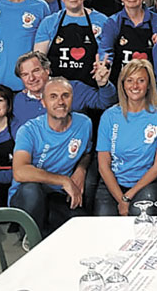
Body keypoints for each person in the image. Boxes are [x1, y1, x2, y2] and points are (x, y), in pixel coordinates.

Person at [9, 78, 93, 237]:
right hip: (26, 194)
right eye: (53, 96)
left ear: (72, 99)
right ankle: (30, 236)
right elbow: (20, 172)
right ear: (43, 102)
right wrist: (63, 180)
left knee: (81, 228)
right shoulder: (28, 130)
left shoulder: (84, 123)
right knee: (31, 190)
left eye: (65, 96)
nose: (60, 102)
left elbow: (86, 152)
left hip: (59, 194)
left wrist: (81, 169)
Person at [95, 60, 157, 215]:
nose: (135, 86)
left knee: (138, 213)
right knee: (103, 225)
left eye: (141, 80)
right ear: (123, 84)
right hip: (115, 184)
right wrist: (120, 198)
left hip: (151, 183)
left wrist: (127, 198)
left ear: (149, 85)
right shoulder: (109, 116)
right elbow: (103, 166)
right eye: (130, 81)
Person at [34, 0, 108, 85]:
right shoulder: (49, 22)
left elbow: (108, 54)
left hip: (91, 89)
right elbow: (39, 60)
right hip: (56, 89)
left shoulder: (102, 21)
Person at [11, 51, 116, 124]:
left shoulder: (74, 88)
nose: (31, 78)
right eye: (25, 75)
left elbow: (106, 103)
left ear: (47, 70)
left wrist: (103, 84)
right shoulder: (18, 100)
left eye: (36, 71)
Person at [100, 0, 157, 84]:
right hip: (120, 83)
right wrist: (104, 64)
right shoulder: (112, 22)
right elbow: (105, 51)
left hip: (150, 84)